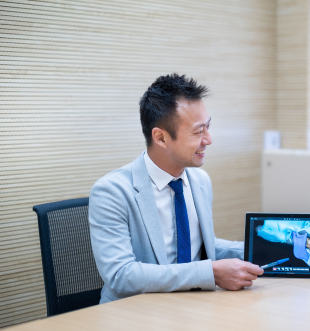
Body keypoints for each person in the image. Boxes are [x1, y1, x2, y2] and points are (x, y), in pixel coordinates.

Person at [89, 74, 263, 303]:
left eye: (208, 127)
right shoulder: (112, 192)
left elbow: (202, 246)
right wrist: (211, 273)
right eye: (198, 131)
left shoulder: (200, 180)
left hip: (191, 309)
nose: (208, 139)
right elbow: (121, 275)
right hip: (134, 315)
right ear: (160, 137)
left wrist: (264, 250)